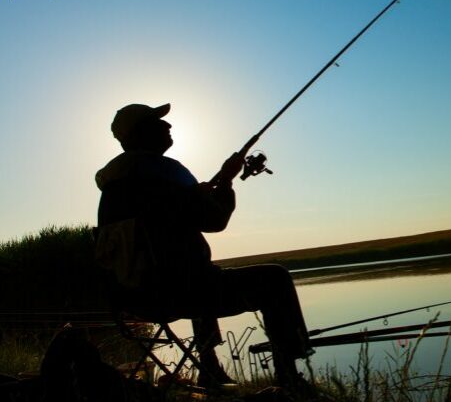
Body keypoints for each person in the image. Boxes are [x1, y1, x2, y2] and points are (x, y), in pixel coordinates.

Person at [95, 103, 312, 389]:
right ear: (140, 132)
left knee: (196, 271)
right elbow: (214, 219)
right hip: (178, 293)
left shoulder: (113, 188)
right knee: (275, 278)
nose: (168, 126)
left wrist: (200, 191)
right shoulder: (164, 172)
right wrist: (227, 182)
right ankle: (288, 376)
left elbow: (167, 217)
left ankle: (209, 367)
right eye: (159, 123)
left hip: (134, 299)